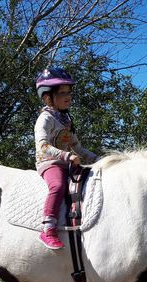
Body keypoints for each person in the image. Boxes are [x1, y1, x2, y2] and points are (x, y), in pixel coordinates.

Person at [34, 68, 98, 250]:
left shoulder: (66, 119)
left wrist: (98, 159)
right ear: (47, 98)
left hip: (66, 163)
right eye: (62, 93)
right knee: (58, 185)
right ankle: (48, 228)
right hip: (49, 163)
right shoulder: (44, 119)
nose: (68, 96)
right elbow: (43, 147)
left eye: (69, 92)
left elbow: (77, 147)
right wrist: (67, 155)